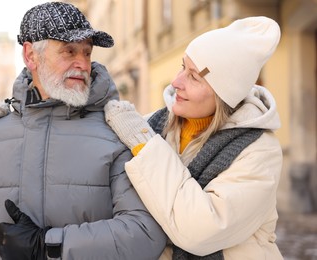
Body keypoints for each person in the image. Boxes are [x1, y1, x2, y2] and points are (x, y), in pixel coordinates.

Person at [0, 2, 166, 259]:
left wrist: (48, 245)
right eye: (69, 51)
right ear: (30, 56)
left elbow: (145, 233)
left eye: (87, 53)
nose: (83, 64)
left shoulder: (115, 135)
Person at [104, 16, 283, 259]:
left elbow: (199, 231)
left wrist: (143, 145)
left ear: (223, 95)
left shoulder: (260, 151)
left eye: (194, 76)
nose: (176, 82)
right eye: (182, 67)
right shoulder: (155, 126)